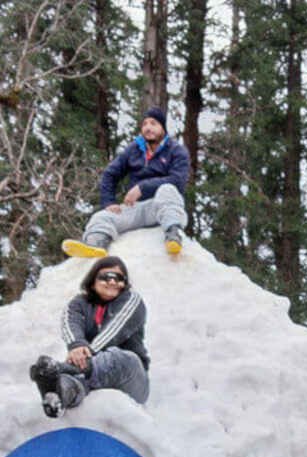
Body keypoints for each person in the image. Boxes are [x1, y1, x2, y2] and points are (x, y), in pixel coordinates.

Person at [62, 106, 189, 258]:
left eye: (153, 123)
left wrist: (142, 187)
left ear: (163, 128)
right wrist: (108, 202)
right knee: (101, 216)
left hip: (162, 206)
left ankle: (173, 236)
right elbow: (110, 174)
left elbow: (178, 181)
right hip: (135, 208)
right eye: (145, 124)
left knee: (168, 189)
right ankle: (96, 245)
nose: (148, 128)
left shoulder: (176, 150)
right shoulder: (134, 149)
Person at [30, 256, 149, 417]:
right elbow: (70, 323)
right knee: (72, 381)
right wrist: (76, 345)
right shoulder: (78, 304)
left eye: (119, 278)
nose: (113, 282)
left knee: (122, 358)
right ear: (93, 279)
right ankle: (60, 395)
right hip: (89, 373)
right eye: (106, 276)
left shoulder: (131, 300)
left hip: (130, 378)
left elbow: (113, 331)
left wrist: (84, 354)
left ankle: (63, 369)